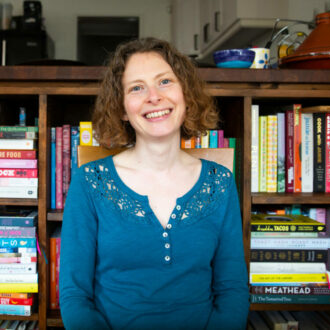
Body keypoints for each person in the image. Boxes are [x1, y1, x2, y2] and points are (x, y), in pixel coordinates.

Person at [59, 37, 250, 330]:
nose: (153, 97)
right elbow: (75, 295)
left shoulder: (219, 183)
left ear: (185, 94)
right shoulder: (89, 182)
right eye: (137, 87)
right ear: (122, 108)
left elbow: (232, 291)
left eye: (164, 82)